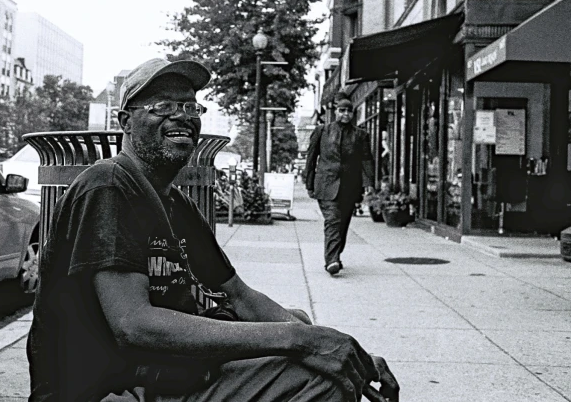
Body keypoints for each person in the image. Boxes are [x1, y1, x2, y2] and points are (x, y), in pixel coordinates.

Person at [26, 58, 398, 402]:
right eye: (163, 106)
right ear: (125, 121)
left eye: (190, 107)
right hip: (105, 390)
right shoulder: (109, 186)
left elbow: (239, 295)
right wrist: (300, 342)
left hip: (165, 376)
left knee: (300, 325)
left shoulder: (176, 203)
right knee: (318, 381)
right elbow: (134, 324)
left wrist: (333, 347)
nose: (182, 116)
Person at [304, 97, 375, 276]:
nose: (345, 114)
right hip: (326, 184)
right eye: (342, 111)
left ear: (353, 114)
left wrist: (369, 184)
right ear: (336, 112)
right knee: (333, 221)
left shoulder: (360, 135)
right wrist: (309, 183)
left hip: (349, 187)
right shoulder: (322, 131)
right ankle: (331, 260)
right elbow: (311, 159)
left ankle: (335, 254)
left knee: (342, 225)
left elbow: (366, 160)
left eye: (349, 111)